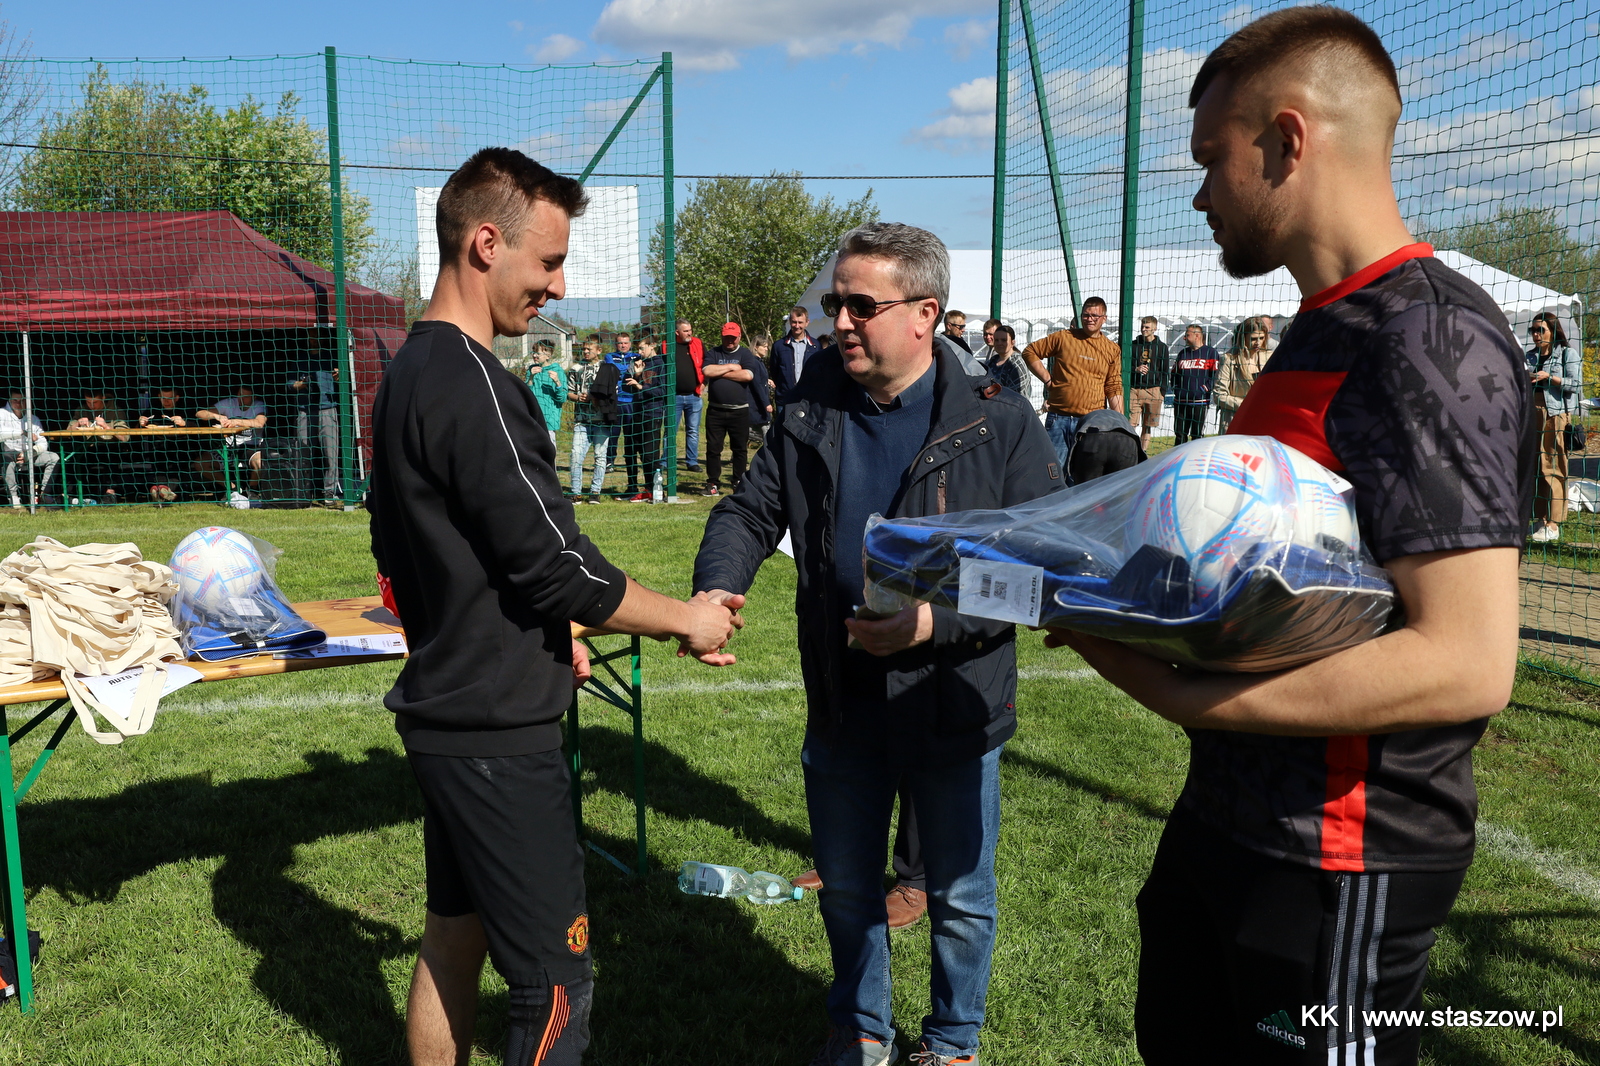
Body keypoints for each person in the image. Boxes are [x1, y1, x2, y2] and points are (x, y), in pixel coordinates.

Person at [1048, 10, 1535, 1065]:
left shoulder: (1431, 336)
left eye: (1211, 159)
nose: (1198, 191)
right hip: (1230, 820)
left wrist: (1186, 696)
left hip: (1339, 857)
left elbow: (1464, 659)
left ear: (1287, 137)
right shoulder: (1317, 325)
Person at [368, 147, 736, 1066]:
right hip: (496, 735)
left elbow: (428, 551)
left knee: (455, 936)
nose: (560, 287)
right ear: (485, 244)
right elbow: (557, 565)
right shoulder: (474, 383)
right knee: (556, 986)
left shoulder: (410, 370)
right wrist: (688, 617)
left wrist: (545, 634)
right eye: (548, 263)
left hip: (452, 709)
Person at [692, 221, 1062, 1066]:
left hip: (958, 707)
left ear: (926, 313)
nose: (839, 322)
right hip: (844, 703)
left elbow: (1044, 568)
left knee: (962, 896)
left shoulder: (998, 422)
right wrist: (721, 580)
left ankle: (951, 1043)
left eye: (860, 305)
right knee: (851, 890)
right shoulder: (813, 404)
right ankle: (861, 1031)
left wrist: (935, 623)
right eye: (833, 304)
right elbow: (752, 509)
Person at [1021, 297, 1123, 475]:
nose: (1089, 319)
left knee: (1084, 475)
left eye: (1094, 316)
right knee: (1053, 474)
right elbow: (1030, 352)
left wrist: (1120, 422)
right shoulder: (1063, 337)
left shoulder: (1112, 349)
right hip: (1058, 419)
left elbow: (1113, 386)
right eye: (1086, 315)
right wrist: (1047, 379)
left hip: (1091, 422)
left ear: (1104, 318)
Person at [1528, 311, 1582, 543]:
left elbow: (1576, 384)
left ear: (1553, 330)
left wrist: (1550, 377)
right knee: (1534, 468)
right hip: (1531, 413)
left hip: (1555, 414)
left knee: (1553, 467)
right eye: (1533, 330)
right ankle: (1540, 519)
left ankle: (1554, 523)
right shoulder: (1529, 356)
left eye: (1541, 330)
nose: (1537, 335)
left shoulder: (1566, 353)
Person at [700, 322, 767, 497]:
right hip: (716, 410)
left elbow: (747, 375)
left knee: (740, 449)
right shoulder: (714, 352)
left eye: (733, 337)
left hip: (739, 411)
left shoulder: (745, 354)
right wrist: (731, 367)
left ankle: (738, 481)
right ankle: (713, 482)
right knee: (713, 448)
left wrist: (719, 372)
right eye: (726, 337)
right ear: (722, 336)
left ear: (738, 337)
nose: (729, 340)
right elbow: (707, 371)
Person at [568, 338, 619, 503]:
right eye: (584, 349)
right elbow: (569, 392)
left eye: (589, 349)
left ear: (599, 350)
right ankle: (576, 492)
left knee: (600, 456)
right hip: (582, 420)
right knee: (576, 456)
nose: (585, 352)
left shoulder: (608, 369)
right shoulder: (576, 369)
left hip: (601, 421)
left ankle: (595, 491)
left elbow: (613, 393)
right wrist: (578, 397)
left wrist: (597, 399)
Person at [195, 385, 269, 496]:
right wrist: (217, 416)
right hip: (229, 448)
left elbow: (259, 423)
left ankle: (252, 490)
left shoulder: (259, 405)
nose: (241, 399)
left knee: (260, 462)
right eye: (240, 395)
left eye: (246, 397)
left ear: (254, 397)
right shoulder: (229, 403)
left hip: (251, 447)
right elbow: (200, 413)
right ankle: (233, 489)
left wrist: (235, 421)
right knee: (200, 463)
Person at [289, 361, 342, 505]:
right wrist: (301, 384)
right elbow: (289, 384)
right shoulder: (300, 358)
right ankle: (304, 491)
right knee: (303, 453)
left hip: (328, 408)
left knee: (331, 453)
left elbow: (346, 380)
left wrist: (339, 375)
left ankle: (329, 492)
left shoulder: (332, 355)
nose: (313, 337)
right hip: (305, 409)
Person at [622, 339, 669, 501]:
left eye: (642, 348)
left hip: (653, 413)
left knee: (651, 454)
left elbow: (663, 391)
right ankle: (645, 488)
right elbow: (625, 386)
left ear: (652, 345)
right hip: (637, 412)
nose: (639, 352)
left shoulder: (661, 364)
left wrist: (641, 386)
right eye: (638, 349)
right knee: (639, 452)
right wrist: (636, 374)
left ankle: (657, 490)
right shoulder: (636, 362)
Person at [67, 389, 132, 503]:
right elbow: (68, 432)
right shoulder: (81, 410)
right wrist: (78, 423)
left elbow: (124, 437)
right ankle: (75, 494)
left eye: (95, 402)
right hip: (88, 448)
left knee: (111, 455)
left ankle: (110, 493)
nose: (91, 406)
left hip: (110, 448)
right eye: (88, 402)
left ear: (103, 398)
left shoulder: (115, 411)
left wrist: (106, 426)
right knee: (73, 455)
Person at [1, 390, 58, 509]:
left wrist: (29, 454)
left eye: (22, 400)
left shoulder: (33, 419)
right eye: (15, 400)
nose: (18, 403)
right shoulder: (2, 414)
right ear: (9, 401)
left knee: (54, 457)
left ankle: (44, 494)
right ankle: (13, 496)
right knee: (6, 460)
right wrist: (22, 432)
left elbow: (42, 442)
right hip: (9, 454)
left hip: (29, 454)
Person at [1213, 317, 1269, 432]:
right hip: (1235, 422)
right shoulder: (1229, 359)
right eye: (1253, 339)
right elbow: (1219, 395)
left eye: (1261, 338)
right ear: (1243, 338)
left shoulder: (1269, 357)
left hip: (1263, 422)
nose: (1258, 343)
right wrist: (1247, 405)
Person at [139, 386, 195, 501]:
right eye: (163, 398)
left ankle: (161, 491)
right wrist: (141, 423)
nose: (166, 402)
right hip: (158, 448)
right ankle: (163, 491)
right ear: (159, 397)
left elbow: (198, 426)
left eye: (170, 398)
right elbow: (138, 429)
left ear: (177, 397)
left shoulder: (185, 409)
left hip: (182, 448)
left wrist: (184, 423)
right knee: (159, 460)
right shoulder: (153, 410)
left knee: (178, 464)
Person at [1066, 407, 1145, 484]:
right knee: (1121, 490)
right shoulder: (1122, 420)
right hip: (1126, 441)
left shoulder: (1086, 418)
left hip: (1093, 438)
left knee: (1087, 491)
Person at [1169, 325, 1218, 445]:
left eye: (1187, 335)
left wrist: (1203, 389)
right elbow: (1174, 373)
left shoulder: (1210, 353)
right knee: (1180, 434)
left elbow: (1215, 376)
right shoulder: (1183, 353)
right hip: (1181, 401)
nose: (1184, 338)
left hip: (1199, 402)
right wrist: (1176, 389)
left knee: (1196, 435)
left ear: (1197, 335)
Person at [1129, 316, 1170, 451]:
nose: (1143, 330)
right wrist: (1136, 368)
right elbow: (1124, 366)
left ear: (1154, 328)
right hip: (1134, 389)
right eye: (1142, 327)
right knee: (1130, 424)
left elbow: (1165, 371)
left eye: (1147, 327)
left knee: (1148, 426)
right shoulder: (1133, 345)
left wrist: (1161, 392)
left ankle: (1143, 453)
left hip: (1153, 390)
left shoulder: (1162, 347)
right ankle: (1130, 451)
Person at [672, 319, 705, 472]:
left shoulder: (698, 343)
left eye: (690, 330)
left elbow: (707, 364)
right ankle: (667, 460)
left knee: (692, 430)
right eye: (685, 331)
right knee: (670, 431)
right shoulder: (666, 346)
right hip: (674, 397)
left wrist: (705, 382)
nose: (689, 333)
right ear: (677, 332)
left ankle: (692, 461)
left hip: (694, 395)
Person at [770, 304, 822, 399]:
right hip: (785, 398)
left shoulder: (816, 346)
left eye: (800, 322)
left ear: (807, 322)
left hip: (808, 399)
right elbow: (774, 371)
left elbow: (820, 371)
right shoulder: (779, 346)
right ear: (790, 321)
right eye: (794, 322)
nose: (797, 326)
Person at [983, 324, 1024, 394]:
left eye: (1003, 340)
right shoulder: (991, 362)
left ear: (1012, 342)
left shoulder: (1017, 364)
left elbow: (1019, 396)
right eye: (996, 340)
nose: (999, 343)